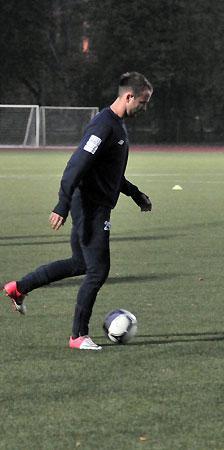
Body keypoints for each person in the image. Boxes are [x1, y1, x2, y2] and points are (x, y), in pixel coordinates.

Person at [2, 71, 154, 351]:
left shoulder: (117, 125)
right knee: (98, 270)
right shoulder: (104, 126)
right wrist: (62, 203)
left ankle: (19, 288)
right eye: (143, 102)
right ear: (129, 96)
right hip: (90, 206)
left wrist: (134, 193)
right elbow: (77, 164)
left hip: (95, 204)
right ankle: (78, 335)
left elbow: (109, 173)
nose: (145, 108)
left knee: (80, 263)